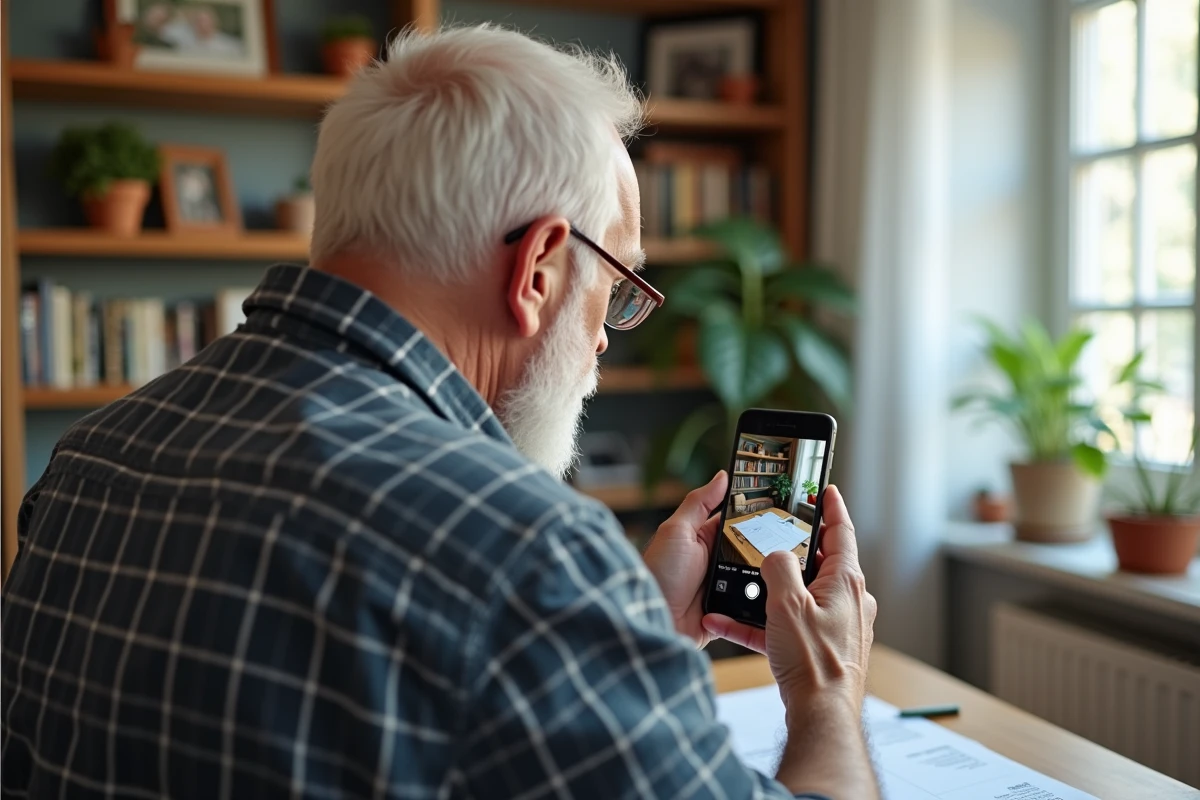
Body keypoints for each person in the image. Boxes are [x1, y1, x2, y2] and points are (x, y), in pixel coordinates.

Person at [1, 25, 878, 800]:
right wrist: (826, 694)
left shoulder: (91, 460)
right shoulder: (522, 552)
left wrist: (622, 632)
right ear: (539, 268)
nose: (606, 341)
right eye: (613, 289)